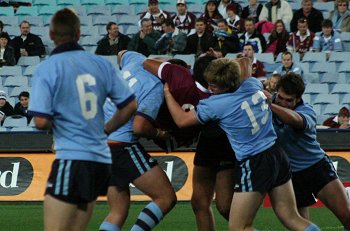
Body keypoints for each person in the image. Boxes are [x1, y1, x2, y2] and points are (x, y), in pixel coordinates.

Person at [162, 57, 320, 231]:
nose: (209, 88)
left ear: (220, 85)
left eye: (212, 85)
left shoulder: (216, 104)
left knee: (239, 227)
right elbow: (244, 61)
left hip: (254, 161)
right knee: (292, 218)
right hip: (277, 155)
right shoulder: (252, 84)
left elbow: (182, 120)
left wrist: (168, 94)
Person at [27, 8, 137, 231]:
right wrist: (105, 130)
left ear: (50, 35)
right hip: (100, 160)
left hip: (72, 158)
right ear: (78, 34)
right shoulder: (101, 64)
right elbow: (130, 106)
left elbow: (40, 121)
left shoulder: (47, 68)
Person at [143, 55, 236, 231]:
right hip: (208, 143)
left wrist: (167, 94)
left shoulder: (182, 78)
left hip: (226, 144)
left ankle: (246, 227)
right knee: (199, 202)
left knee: (225, 207)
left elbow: (146, 62)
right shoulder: (227, 86)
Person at [99, 51, 176, 231]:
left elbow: (120, 53)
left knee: (118, 211)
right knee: (165, 197)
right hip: (120, 146)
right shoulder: (155, 87)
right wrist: (159, 134)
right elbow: (139, 127)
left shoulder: (135, 60)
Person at [265, 72, 350, 229]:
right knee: (300, 226)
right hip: (290, 176)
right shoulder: (268, 104)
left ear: (298, 99)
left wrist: (271, 105)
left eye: (288, 100)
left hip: (317, 168)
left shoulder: (306, 110)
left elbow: (297, 121)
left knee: (347, 216)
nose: (283, 102)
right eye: (280, 97)